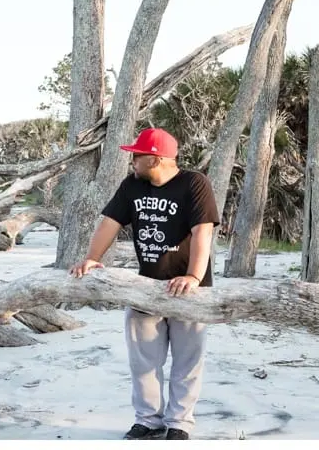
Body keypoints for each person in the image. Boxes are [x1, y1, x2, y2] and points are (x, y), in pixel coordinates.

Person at [69, 128, 220, 441]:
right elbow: (110, 222)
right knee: (144, 361)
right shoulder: (132, 186)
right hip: (144, 286)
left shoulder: (194, 183)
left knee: (187, 360)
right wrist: (93, 257)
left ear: (156, 158)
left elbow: (202, 232)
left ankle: (179, 423)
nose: (132, 160)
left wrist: (193, 276)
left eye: (137, 155)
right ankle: (148, 420)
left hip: (190, 291)